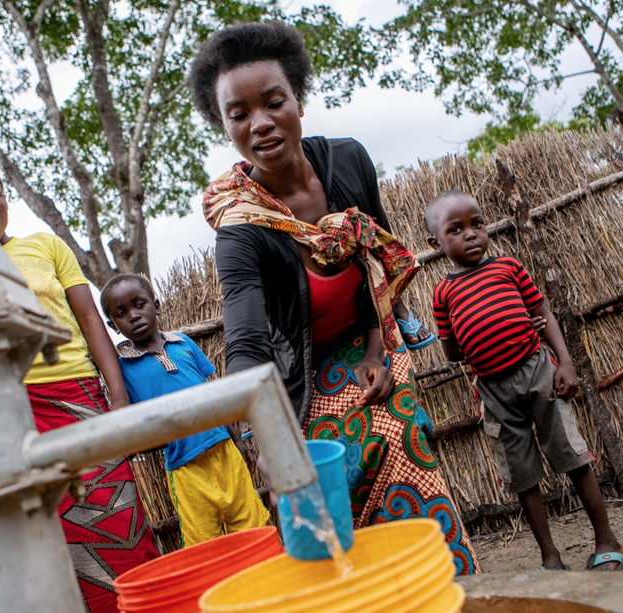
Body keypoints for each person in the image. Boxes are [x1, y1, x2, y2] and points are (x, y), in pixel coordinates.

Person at [188, 22, 479, 575]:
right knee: (322, 494)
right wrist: (266, 439)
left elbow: (377, 264)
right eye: (239, 113)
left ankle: (442, 584)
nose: (261, 123)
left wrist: (375, 350)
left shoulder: (347, 161)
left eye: (274, 102)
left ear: (298, 98)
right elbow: (248, 342)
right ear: (222, 124)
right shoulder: (240, 228)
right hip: (296, 377)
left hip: (368, 342)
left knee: (398, 435)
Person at [0, 162, 158, 612]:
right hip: (4, 413)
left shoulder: (45, 245)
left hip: (76, 399)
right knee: (44, 535)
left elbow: (89, 320)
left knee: (117, 518)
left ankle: (145, 604)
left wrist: (116, 397)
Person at [426, 190, 623, 571]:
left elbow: (544, 314)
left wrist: (565, 363)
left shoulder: (509, 268)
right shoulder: (443, 293)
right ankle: (549, 557)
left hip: (538, 371)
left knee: (572, 455)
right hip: (493, 390)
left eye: (477, 224)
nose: (471, 234)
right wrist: (473, 333)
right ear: (435, 243)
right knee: (521, 475)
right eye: (456, 229)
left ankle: (607, 541)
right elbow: (453, 353)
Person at [100, 273, 271, 547]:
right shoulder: (123, 370)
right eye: (122, 313)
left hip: (225, 451)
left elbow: (212, 394)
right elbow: (133, 425)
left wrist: (238, 439)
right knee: (204, 544)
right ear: (114, 325)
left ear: (156, 305)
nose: (133, 315)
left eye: (139, 304)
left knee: (253, 527)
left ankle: (268, 581)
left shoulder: (184, 344)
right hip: (185, 468)